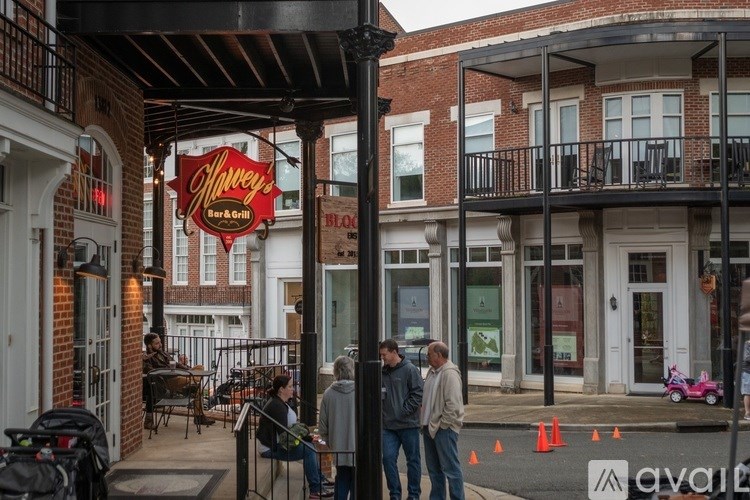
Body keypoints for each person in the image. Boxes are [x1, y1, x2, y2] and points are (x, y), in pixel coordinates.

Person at [256, 375, 333, 499]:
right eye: (290, 386)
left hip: (277, 444)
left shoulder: (281, 402)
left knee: (310, 446)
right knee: (308, 451)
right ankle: (315, 489)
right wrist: (305, 438)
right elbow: (285, 436)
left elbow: (290, 430)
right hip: (270, 448)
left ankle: (320, 480)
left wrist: (306, 437)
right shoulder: (277, 406)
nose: (293, 389)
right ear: (281, 389)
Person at [380, 338, 423, 500]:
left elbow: (418, 393)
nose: (382, 358)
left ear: (394, 352)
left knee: (413, 460)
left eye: (384, 354)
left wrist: (404, 411)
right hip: (388, 426)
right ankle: (395, 494)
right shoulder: (382, 373)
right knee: (388, 459)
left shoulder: (410, 370)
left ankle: (413, 495)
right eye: (381, 355)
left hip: (408, 425)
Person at [142, 333, 215, 428]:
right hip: (169, 380)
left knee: (200, 367)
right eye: (157, 343)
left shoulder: (162, 352)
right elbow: (150, 371)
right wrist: (146, 361)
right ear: (149, 345)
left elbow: (175, 364)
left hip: (177, 374)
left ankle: (192, 382)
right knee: (197, 388)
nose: (160, 345)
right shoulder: (148, 357)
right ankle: (199, 416)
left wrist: (187, 369)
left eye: (160, 342)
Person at [421, 341, 465, 500]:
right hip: (428, 428)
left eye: (429, 354)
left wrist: (443, 425)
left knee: (451, 470)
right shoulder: (432, 372)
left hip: (442, 429)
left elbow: (453, 405)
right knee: (434, 471)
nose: (427, 357)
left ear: (439, 355)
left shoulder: (449, 374)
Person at [319, 356, 356, 500]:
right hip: (357, 447)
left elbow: (322, 424)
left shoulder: (328, 393)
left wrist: (328, 441)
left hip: (338, 446)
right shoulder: (360, 390)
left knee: (341, 480)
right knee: (356, 484)